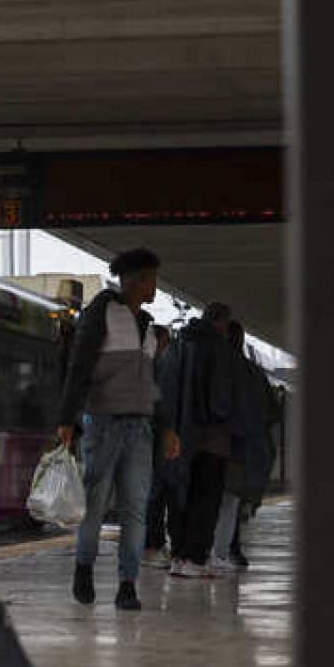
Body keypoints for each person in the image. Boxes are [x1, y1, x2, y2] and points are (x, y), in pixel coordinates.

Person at [57, 249, 180, 611]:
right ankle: (84, 568)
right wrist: (67, 419)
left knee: (136, 509)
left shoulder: (148, 326)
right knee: (95, 505)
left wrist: (167, 428)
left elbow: (151, 384)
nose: (155, 286)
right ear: (136, 280)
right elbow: (79, 367)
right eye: (151, 279)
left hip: (140, 429)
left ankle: (128, 585)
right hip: (104, 423)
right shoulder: (101, 314)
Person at [157, 303, 237, 578]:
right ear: (222, 323)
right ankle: (195, 558)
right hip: (210, 438)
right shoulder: (218, 349)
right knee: (206, 498)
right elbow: (220, 401)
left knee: (181, 496)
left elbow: (165, 388)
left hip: (179, 434)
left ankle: (179, 556)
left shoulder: (178, 345)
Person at [211, 320, 276, 570]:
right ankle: (224, 551)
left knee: (210, 500)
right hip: (240, 449)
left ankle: (207, 552)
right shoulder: (252, 372)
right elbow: (270, 412)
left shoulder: (213, 368)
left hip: (213, 444)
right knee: (231, 502)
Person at [142, 324, 175, 568]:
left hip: (151, 437)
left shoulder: (149, 367)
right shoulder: (154, 369)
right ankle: (151, 545)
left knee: (154, 493)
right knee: (154, 493)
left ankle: (153, 543)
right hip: (151, 438)